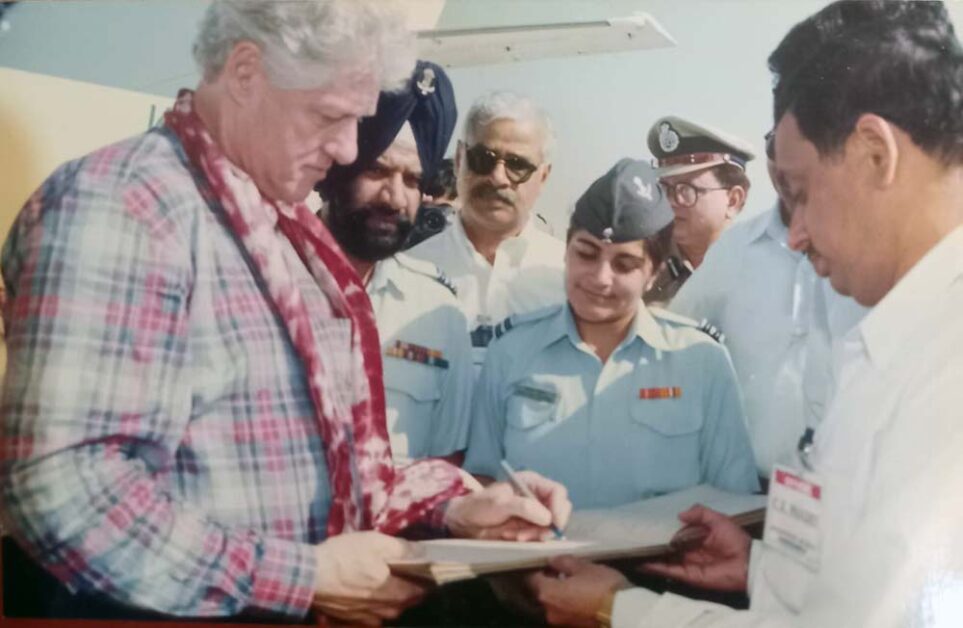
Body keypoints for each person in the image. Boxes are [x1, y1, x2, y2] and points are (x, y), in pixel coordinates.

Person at [0, 2, 570, 623]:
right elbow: (63, 490)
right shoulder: (127, 208)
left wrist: (460, 506)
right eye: (331, 115)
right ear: (246, 73)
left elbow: (331, 472)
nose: (349, 146)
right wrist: (303, 575)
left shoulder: (283, 228)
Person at [527, 2, 963, 625]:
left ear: (875, 153)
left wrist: (621, 612)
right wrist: (764, 570)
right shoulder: (904, 330)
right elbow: (863, 577)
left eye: (801, 192)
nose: (796, 235)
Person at [463, 159, 759, 509]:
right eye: (586, 255)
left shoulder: (700, 360)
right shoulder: (510, 352)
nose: (600, 277)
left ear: (654, 274)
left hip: (658, 560)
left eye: (624, 264)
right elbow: (482, 479)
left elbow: (733, 496)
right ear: (567, 251)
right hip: (532, 557)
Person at [669, 142, 868, 480]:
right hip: (742, 493)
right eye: (777, 141)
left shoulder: (870, 257)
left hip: (835, 498)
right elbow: (670, 336)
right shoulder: (736, 249)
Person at [320, 60, 473, 466]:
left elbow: (446, 466)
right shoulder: (263, 277)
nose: (393, 197)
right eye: (376, 170)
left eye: (411, 180)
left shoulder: (438, 313)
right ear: (338, 168)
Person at [408, 90, 566, 371]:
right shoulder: (409, 271)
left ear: (543, 176)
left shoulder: (569, 279)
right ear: (459, 160)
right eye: (483, 158)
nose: (497, 177)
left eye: (517, 165)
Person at [644, 116, 755, 306]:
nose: (671, 201)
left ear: (733, 201)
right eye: (664, 189)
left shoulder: (759, 273)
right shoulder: (642, 265)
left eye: (686, 190)